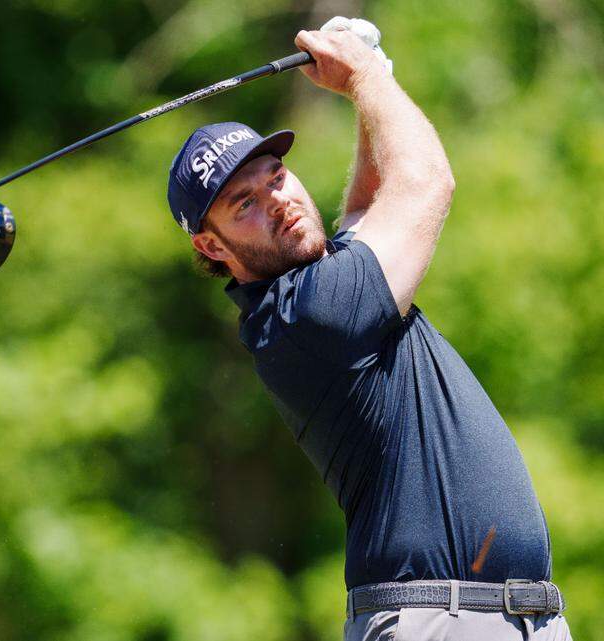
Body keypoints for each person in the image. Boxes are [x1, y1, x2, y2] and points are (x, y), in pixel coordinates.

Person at [166, 18, 572, 641]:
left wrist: (368, 87)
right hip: (440, 620)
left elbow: (366, 204)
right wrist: (364, 76)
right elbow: (425, 182)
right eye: (244, 203)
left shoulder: (321, 290)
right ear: (210, 245)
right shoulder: (308, 317)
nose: (276, 199)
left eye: (275, 176)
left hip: (507, 618)